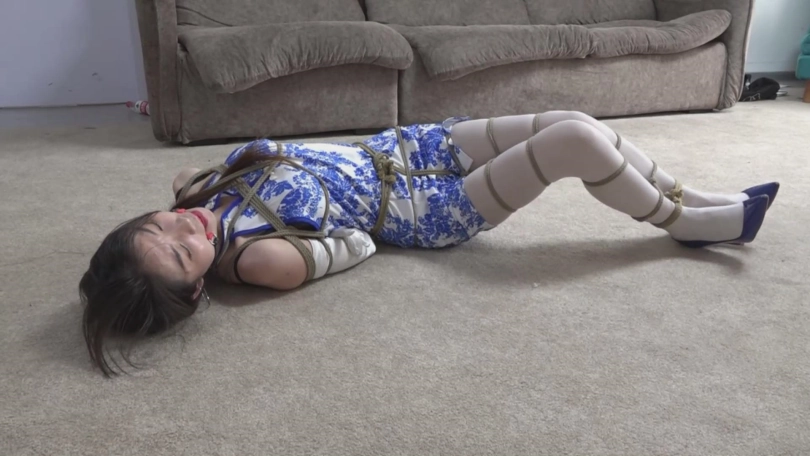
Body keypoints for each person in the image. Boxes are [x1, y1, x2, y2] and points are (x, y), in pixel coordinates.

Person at [79, 111, 779, 377]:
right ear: (198, 286)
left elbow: (189, 194)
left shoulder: (194, 191)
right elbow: (359, 244)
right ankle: (685, 223)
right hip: (424, 208)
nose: (185, 230)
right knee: (572, 141)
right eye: (182, 254)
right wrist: (351, 217)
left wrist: (193, 195)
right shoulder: (259, 258)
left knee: (573, 118)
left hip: (405, 146)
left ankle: (693, 199)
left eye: (157, 226)